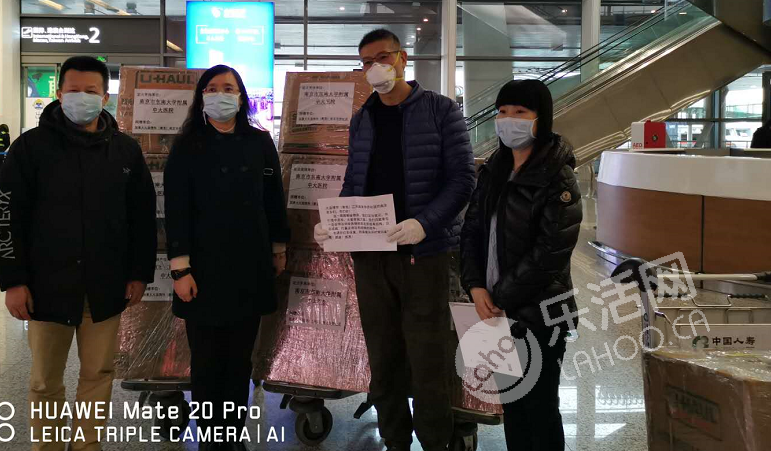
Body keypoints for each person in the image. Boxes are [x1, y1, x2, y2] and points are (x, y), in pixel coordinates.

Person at [314, 29, 476, 451]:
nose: (375, 67)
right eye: (366, 62)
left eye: (382, 57)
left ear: (402, 59)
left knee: (427, 356)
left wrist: (425, 223)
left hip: (423, 255)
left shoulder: (440, 110)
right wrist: (335, 220)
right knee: (382, 355)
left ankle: (435, 441)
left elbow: (463, 179)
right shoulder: (363, 118)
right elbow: (354, 180)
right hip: (372, 256)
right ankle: (395, 439)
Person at [0, 56, 157, 451]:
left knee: (98, 374)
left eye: (91, 91)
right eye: (74, 90)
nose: (82, 97)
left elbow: (142, 218)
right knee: (45, 380)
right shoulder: (30, 148)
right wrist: (13, 281)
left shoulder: (125, 152)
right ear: (59, 93)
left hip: (105, 286)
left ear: (105, 96)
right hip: (46, 287)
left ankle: (86, 446)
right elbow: (5, 216)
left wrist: (139, 273)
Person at [164, 65, 289, 451]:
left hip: (250, 264)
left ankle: (232, 435)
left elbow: (273, 199)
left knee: (239, 362)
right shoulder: (187, 145)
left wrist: (279, 248)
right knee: (206, 361)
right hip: (201, 269)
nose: (221, 94)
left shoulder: (259, 141)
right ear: (201, 96)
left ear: (241, 96)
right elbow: (176, 209)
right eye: (212, 88)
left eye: (229, 88)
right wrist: (180, 268)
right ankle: (209, 436)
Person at [459, 79, 582, 451]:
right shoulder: (494, 169)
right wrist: (475, 286)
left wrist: (501, 297)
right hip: (494, 310)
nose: (508, 119)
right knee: (512, 403)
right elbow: (472, 230)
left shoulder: (557, 174)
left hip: (540, 312)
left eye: (520, 112)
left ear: (540, 118)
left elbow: (551, 252)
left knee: (540, 407)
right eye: (502, 112)